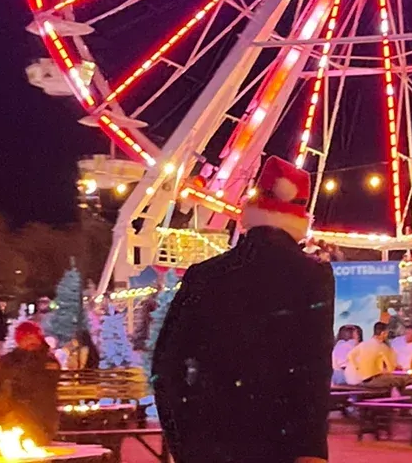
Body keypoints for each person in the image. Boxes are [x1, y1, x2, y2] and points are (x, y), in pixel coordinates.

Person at [153, 156, 334, 463]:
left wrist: (183, 441)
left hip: (210, 442)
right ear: (301, 216)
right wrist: (312, 449)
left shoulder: (204, 274)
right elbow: (313, 369)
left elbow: (166, 366)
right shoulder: (313, 275)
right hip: (281, 444)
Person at [0, 321, 61, 442]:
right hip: (13, 413)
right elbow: (2, 380)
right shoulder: (9, 360)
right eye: (25, 338)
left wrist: (31, 358)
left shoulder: (48, 360)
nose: (30, 341)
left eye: (32, 337)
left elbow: (43, 384)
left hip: (42, 414)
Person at [344, 322, 396, 388]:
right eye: (386, 333)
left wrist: (358, 368)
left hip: (361, 378)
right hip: (373, 379)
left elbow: (350, 356)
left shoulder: (363, 344)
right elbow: (391, 369)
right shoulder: (383, 347)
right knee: (399, 381)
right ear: (383, 333)